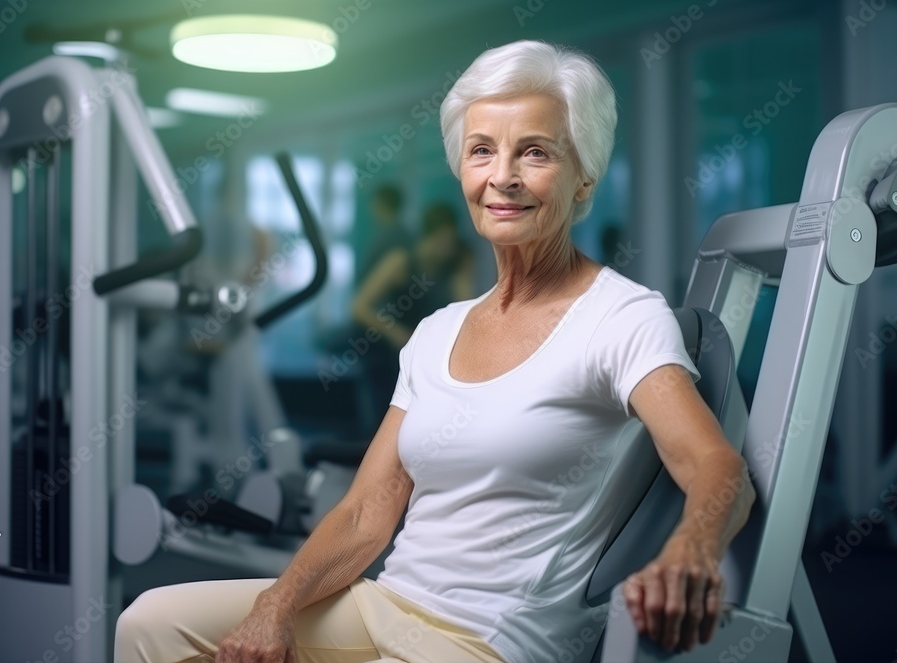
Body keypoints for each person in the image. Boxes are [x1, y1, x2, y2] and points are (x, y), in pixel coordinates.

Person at [114, 40, 755, 663]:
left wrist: (691, 551)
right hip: (386, 605)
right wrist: (275, 606)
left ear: (584, 176)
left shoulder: (622, 316)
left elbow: (717, 467)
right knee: (148, 625)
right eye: (482, 151)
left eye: (534, 152)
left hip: (490, 641)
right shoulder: (438, 331)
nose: (502, 177)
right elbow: (368, 510)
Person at [351, 202, 474, 423]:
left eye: (450, 241)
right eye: (442, 240)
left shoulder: (453, 264)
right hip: (388, 349)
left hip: (425, 352)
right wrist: (396, 334)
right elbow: (359, 308)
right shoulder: (400, 262)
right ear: (428, 236)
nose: (446, 247)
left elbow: (463, 307)